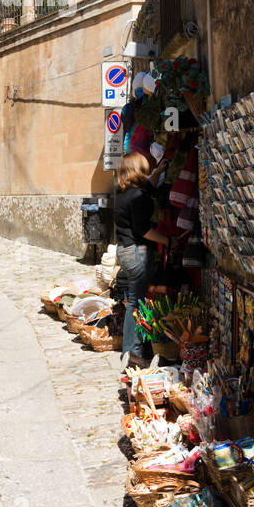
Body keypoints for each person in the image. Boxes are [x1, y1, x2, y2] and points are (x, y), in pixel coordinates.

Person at [113, 151, 174, 369]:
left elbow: (146, 188)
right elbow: (143, 229)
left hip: (125, 251)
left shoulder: (123, 191)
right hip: (137, 253)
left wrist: (158, 171)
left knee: (134, 301)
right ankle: (132, 353)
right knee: (136, 304)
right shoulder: (137, 197)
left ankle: (133, 350)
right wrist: (167, 240)